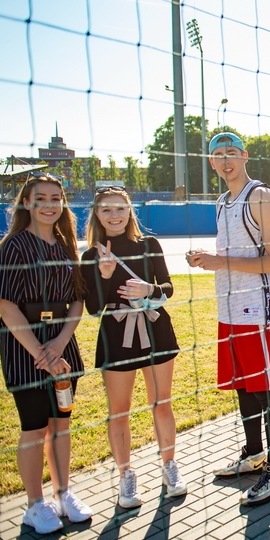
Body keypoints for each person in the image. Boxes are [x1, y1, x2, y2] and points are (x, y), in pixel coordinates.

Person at [186, 132, 270, 506]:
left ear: (245, 156)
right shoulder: (221, 201)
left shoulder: (259, 195)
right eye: (218, 155)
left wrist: (219, 262)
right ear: (211, 162)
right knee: (244, 388)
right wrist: (207, 259)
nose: (225, 160)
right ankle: (253, 454)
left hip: (258, 312)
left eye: (232, 153)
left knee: (268, 392)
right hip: (229, 311)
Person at [0, 173, 93, 534]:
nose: (49, 205)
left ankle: (63, 495)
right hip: (26, 348)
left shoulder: (67, 245)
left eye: (56, 198)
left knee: (61, 425)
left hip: (62, 345)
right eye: (41, 198)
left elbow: (78, 300)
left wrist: (61, 343)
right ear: (27, 203)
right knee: (35, 428)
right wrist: (41, 353)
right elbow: (7, 305)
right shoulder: (14, 247)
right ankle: (35, 506)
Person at [81, 186, 186, 508]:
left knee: (162, 405)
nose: (114, 216)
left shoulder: (148, 244)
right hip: (116, 337)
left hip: (156, 330)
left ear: (130, 211)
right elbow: (94, 308)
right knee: (119, 412)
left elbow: (168, 286)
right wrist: (104, 273)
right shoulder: (90, 255)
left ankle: (170, 466)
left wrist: (149, 288)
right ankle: (126, 475)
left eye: (120, 209)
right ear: (97, 215)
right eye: (106, 210)